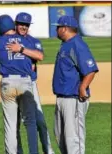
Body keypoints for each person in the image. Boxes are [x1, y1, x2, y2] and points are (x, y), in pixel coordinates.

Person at [0, 15, 38, 154]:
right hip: (25, 82)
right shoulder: (26, 39)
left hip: (7, 82)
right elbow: (37, 55)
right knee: (30, 122)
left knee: (10, 125)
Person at [6, 12, 55, 154]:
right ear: (16, 24)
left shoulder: (33, 41)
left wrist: (21, 49)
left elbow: (39, 56)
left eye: (26, 25)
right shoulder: (6, 40)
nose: (23, 27)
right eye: (21, 24)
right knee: (14, 124)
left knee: (39, 121)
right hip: (12, 82)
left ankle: (48, 150)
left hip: (30, 85)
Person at [51, 15, 99, 154]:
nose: (56, 30)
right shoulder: (66, 44)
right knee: (61, 138)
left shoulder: (78, 44)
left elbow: (90, 69)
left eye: (58, 27)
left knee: (74, 140)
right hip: (62, 97)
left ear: (64, 28)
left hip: (73, 99)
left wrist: (83, 87)